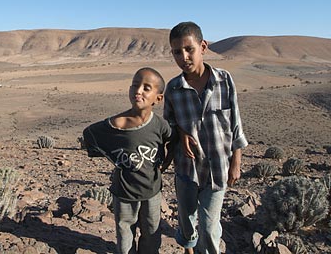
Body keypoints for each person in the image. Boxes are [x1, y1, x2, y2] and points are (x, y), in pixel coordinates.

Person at [163, 21, 248, 254]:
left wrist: (236, 162)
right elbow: (168, 127)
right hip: (186, 169)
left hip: (218, 168)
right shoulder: (173, 89)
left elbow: (235, 123)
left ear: (203, 47)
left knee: (210, 227)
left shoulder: (224, 80)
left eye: (189, 49)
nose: (184, 57)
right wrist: (180, 133)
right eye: (177, 52)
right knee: (187, 220)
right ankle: (188, 248)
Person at [83, 67, 173, 254]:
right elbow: (90, 134)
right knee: (125, 232)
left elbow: (172, 139)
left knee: (151, 232)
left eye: (146, 87)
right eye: (134, 85)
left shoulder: (159, 124)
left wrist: (166, 160)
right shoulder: (117, 123)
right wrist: (115, 156)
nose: (138, 90)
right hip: (124, 192)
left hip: (152, 191)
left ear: (159, 98)